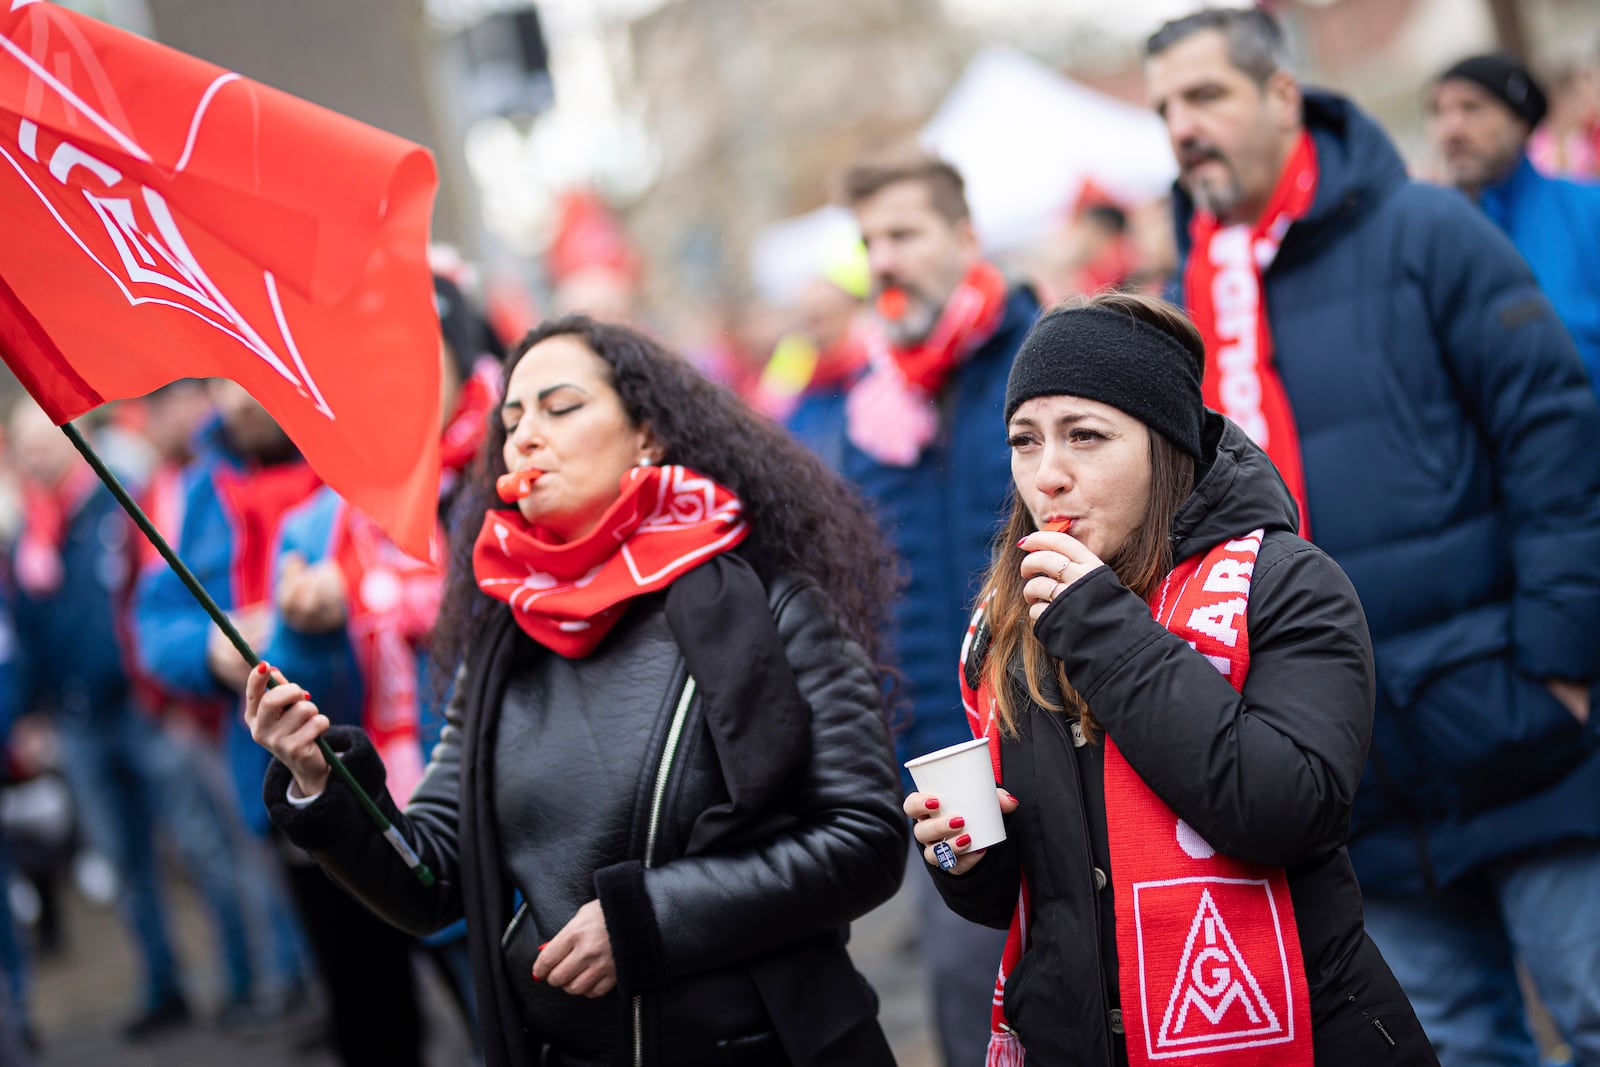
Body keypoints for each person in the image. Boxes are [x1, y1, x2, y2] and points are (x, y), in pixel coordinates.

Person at [247, 314, 908, 1067]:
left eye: (561, 408)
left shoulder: (767, 599)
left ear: (648, 436)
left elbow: (864, 839)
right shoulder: (503, 633)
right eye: (512, 419)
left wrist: (646, 921)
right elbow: (429, 880)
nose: (524, 436)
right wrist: (320, 782)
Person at [1145, 9, 1600, 1064]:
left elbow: (1556, 445)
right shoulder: (1188, 310)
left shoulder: (1429, 233)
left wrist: (1561, 667)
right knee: (1451, 1050)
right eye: (1166, 106)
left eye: (1204, 95)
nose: (1181, 128)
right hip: (1350, 778)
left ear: (1280, 97)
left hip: (1516, 724)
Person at [908, 292, 1436, 1065]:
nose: (1047, 474)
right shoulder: (1008, 618)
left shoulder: (1282, 583)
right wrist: (965, 857)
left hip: (1302, 1028)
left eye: (1085, 436)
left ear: (1165, 446)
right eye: (1025, 441)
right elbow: (1045, 905)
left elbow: (1286, 807)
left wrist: (1103, 627)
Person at [131, 382, 426, 1067]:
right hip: (293, 782)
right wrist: (212, 648)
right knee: (358, 993)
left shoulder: (358, 459)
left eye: (249, 380)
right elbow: (154, 623)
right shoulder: (192, 492)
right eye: (218, 384)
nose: (236, 401)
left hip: (410, 757)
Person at [837, 146, 1040, 1067]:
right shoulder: (871, 406)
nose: (884, 259)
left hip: (1066, 733)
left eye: (905, 233)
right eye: (870, 240)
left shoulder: (1045, 356)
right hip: (942, 761)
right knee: (971, 1014)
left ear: (965, 237)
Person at [7, 399, 192, 1038]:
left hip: (142, 710)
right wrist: (34, 712)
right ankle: (164, 986)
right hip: (78, 723)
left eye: (45, 439)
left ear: (73, 437)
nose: (36, 453)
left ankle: (267, 980)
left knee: (203, 848)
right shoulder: (30, 537)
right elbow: (27, 633)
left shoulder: (117, 502)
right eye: (25, 444)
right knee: (126, 866)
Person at [1427, 52, 1600, 391]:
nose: (1452, 129)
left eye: (1472, 108)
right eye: (1438, 112)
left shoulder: (1587, 208)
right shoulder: (1432, 237)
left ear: (1521, 123)